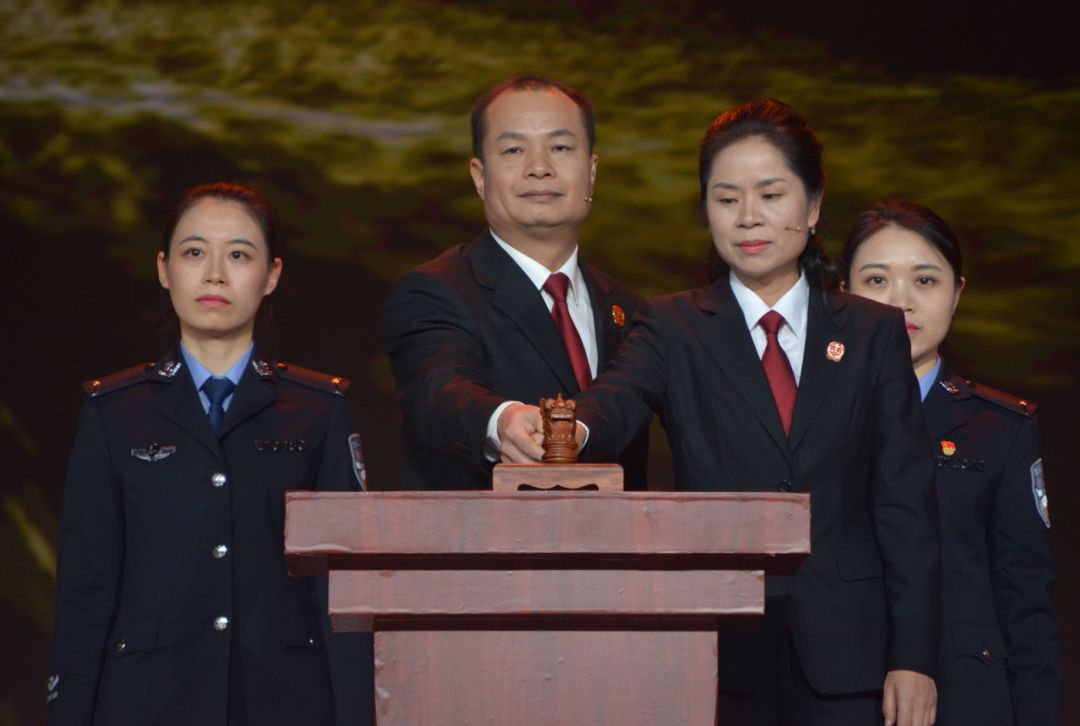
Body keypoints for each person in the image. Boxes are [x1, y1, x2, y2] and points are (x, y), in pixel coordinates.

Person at [539, 100, 941, 726]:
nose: (748, 217)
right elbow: (615, 401)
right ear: (706, 211)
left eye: (771, 194)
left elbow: (906, 506)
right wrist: (569, 430)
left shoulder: (872, 332)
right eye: (726, 199)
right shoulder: (672, 326)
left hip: (853, 655)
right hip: (720, 652)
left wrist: (913, 657)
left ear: (811, 206)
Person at [48, 183, 373, 725]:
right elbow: (87, 588)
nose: (215, 273)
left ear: (271, 275)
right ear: (163, 268)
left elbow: (344, 587)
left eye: (239, 255)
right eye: (194, 252)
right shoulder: (113, 412)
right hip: (147, 701)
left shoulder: (319, 411)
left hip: (284, 699)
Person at [844, 200, 1061, 726]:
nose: (901, 303)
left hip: (965, 697)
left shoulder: (1001, 429)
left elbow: (1025, 601)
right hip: (839, 692)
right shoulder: (810, 422)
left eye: (925, 280)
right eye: (876, 280)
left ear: (957, 293)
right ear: (841, 295)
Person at [383, 74, 647, 490]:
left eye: (560, 147)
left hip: (614, 550)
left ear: (592, 171)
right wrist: (501, 420)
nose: (539, 168)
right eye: (513, 149)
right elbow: (441, 388)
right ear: (479, 175)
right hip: (487, 548)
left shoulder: (629, 310)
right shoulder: (434, 291)